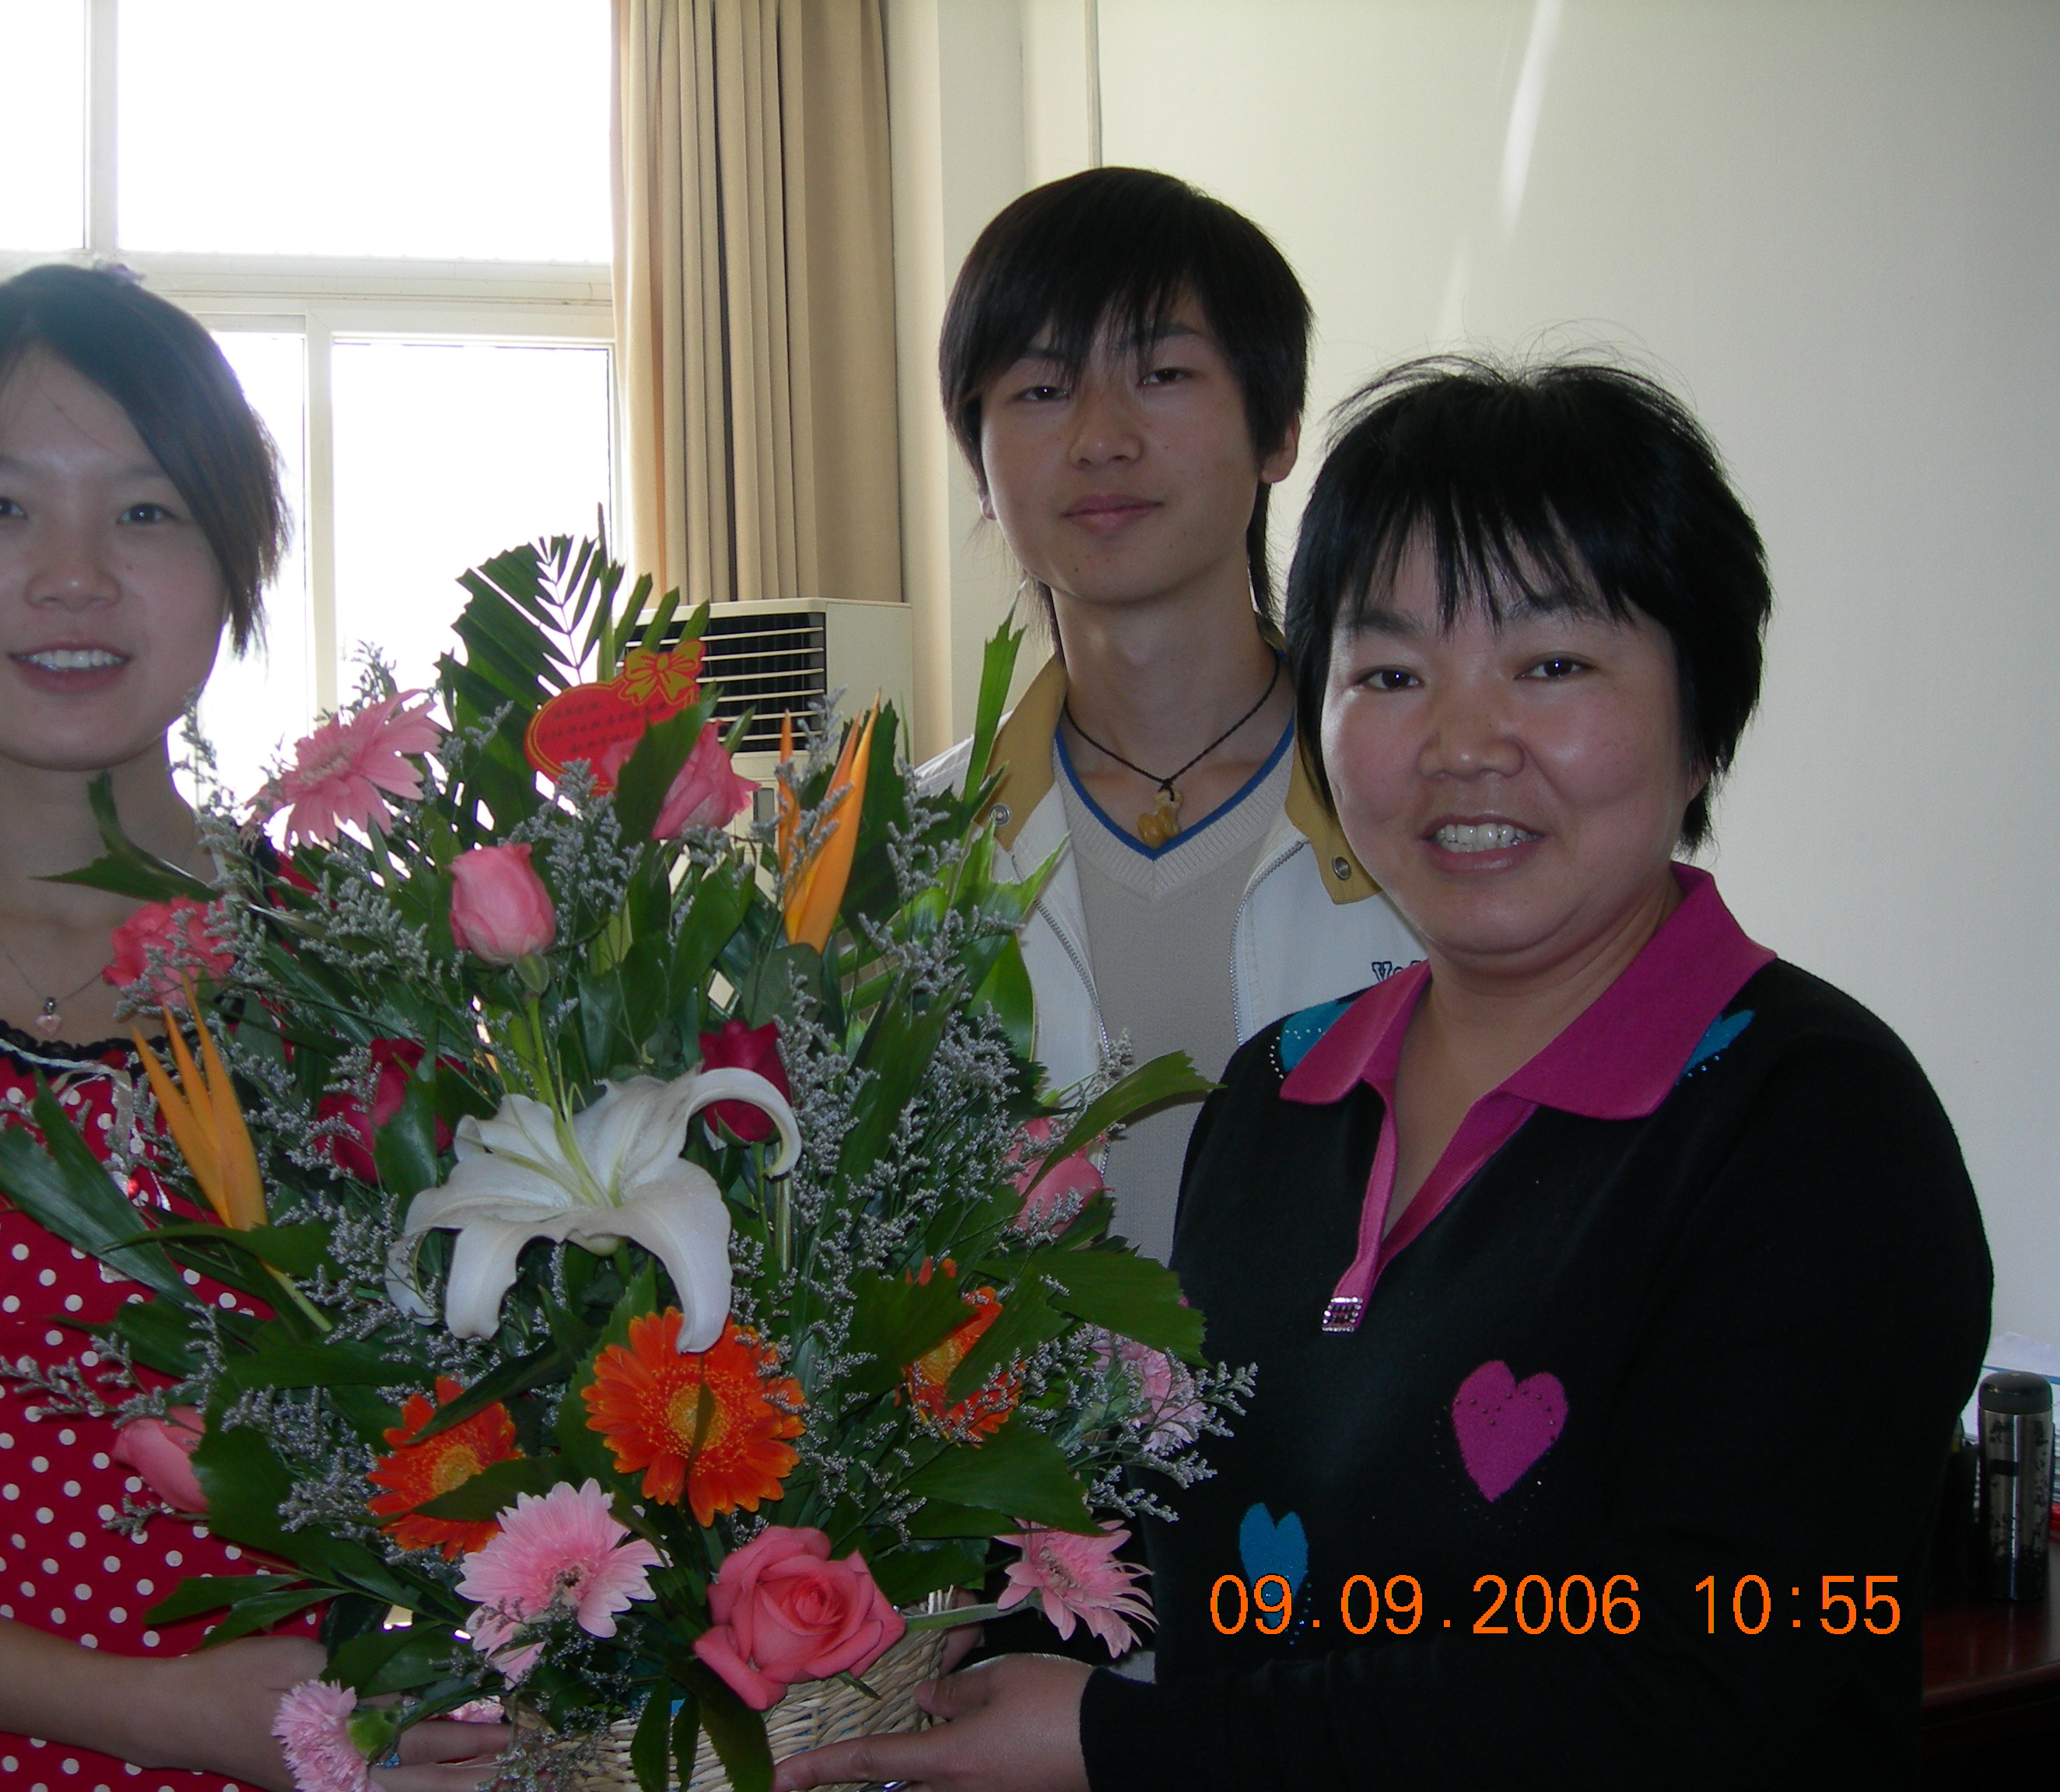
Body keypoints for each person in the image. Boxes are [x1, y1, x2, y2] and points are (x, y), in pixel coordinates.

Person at [778, 358, 1992, 1790]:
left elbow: (1698, 1684)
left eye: (1552, 665)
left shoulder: (1813, 1124)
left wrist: (1124, 1745)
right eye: (1391, 674)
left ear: (1702, 712)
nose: (1462, 746)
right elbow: (1187, 1557)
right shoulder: (1278, 1093)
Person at [0, 267, 500, 1792]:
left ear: (237, 559)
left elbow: (492, 1424)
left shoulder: (359, 962)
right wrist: (152, 1713)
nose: (74, 577)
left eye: (146, 511)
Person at [916, 168, 1420, 1265]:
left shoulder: (1420, 808)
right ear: (979, 463)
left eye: (1162, 373)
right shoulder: (901, 857)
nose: (1101, 438)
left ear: (1277, 429)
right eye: (1042, 390)